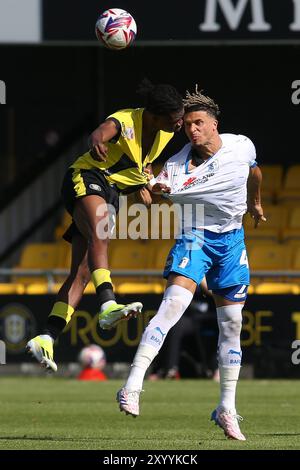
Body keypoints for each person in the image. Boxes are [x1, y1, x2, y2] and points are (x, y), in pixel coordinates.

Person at [116, 86, 266, 441]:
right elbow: (151, 196)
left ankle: (226, 408)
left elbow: (255, 173)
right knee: (172, 306)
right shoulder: (176, 167)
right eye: (188, 125)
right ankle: (132, 384)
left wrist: (255, 203)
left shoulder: (241, 145)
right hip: (195, 238)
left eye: (199, 123)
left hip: (232, 242)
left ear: (215, 125)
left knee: (232, 326)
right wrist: (144, 188)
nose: (193, 129)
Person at [26, 79, 184, 373]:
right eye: (174, 120)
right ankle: (108, 303)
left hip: (110, 191)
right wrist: (97, 140)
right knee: (102, 231)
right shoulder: (127, 120)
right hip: (86, 177)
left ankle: (47, 335)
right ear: (154, 115)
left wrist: (144, 181)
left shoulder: (164, 133)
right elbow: (101, 132)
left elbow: (142, 163)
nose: (179, 125)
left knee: (82, 272)